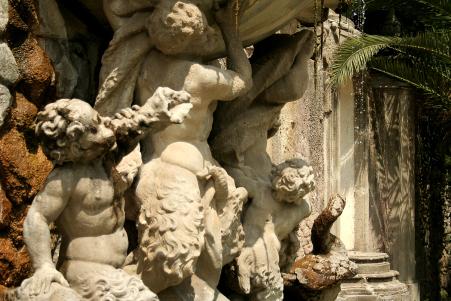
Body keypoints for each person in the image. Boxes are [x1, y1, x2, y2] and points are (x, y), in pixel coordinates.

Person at [21, 88, 191, 300]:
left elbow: (130, 132)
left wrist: (156, 111)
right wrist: (44, 266)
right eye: (94, 130)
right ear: (74, 145)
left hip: (114, 272)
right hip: (86, 274)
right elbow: (37, 217)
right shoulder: (65, 179)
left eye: (99, 120)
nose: (105, 131)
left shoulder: (102, 158)